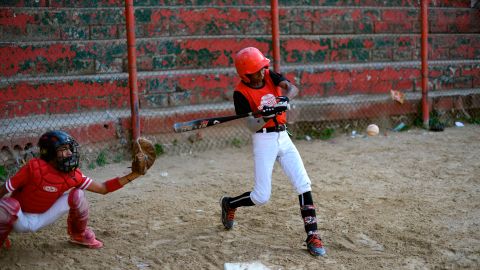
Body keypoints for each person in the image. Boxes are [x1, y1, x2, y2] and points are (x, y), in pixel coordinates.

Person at [219, 47, 326, 256]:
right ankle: (230, 203)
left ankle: (312, 235)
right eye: (258, 70)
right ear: (246, 75)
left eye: (262, 67)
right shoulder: (240, 93)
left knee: (303, 183)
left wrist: (285, 100)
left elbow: (291, 87)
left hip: (283, 137)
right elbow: (250, 125)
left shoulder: (269, 74)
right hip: (263, 140)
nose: (263, 71)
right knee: (261, 196)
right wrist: (266, 116)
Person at [0, 130, 143, 250]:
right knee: (7, 204)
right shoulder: (33, 168)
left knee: (78, 195)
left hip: (45, 216)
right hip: (18, 219)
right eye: (63, 150)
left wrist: (133, 175)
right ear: (49, 153)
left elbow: (103, 188)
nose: (69, 153)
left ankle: (79, 235)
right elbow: (5, 188)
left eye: (69, 149)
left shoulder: (73, 175)